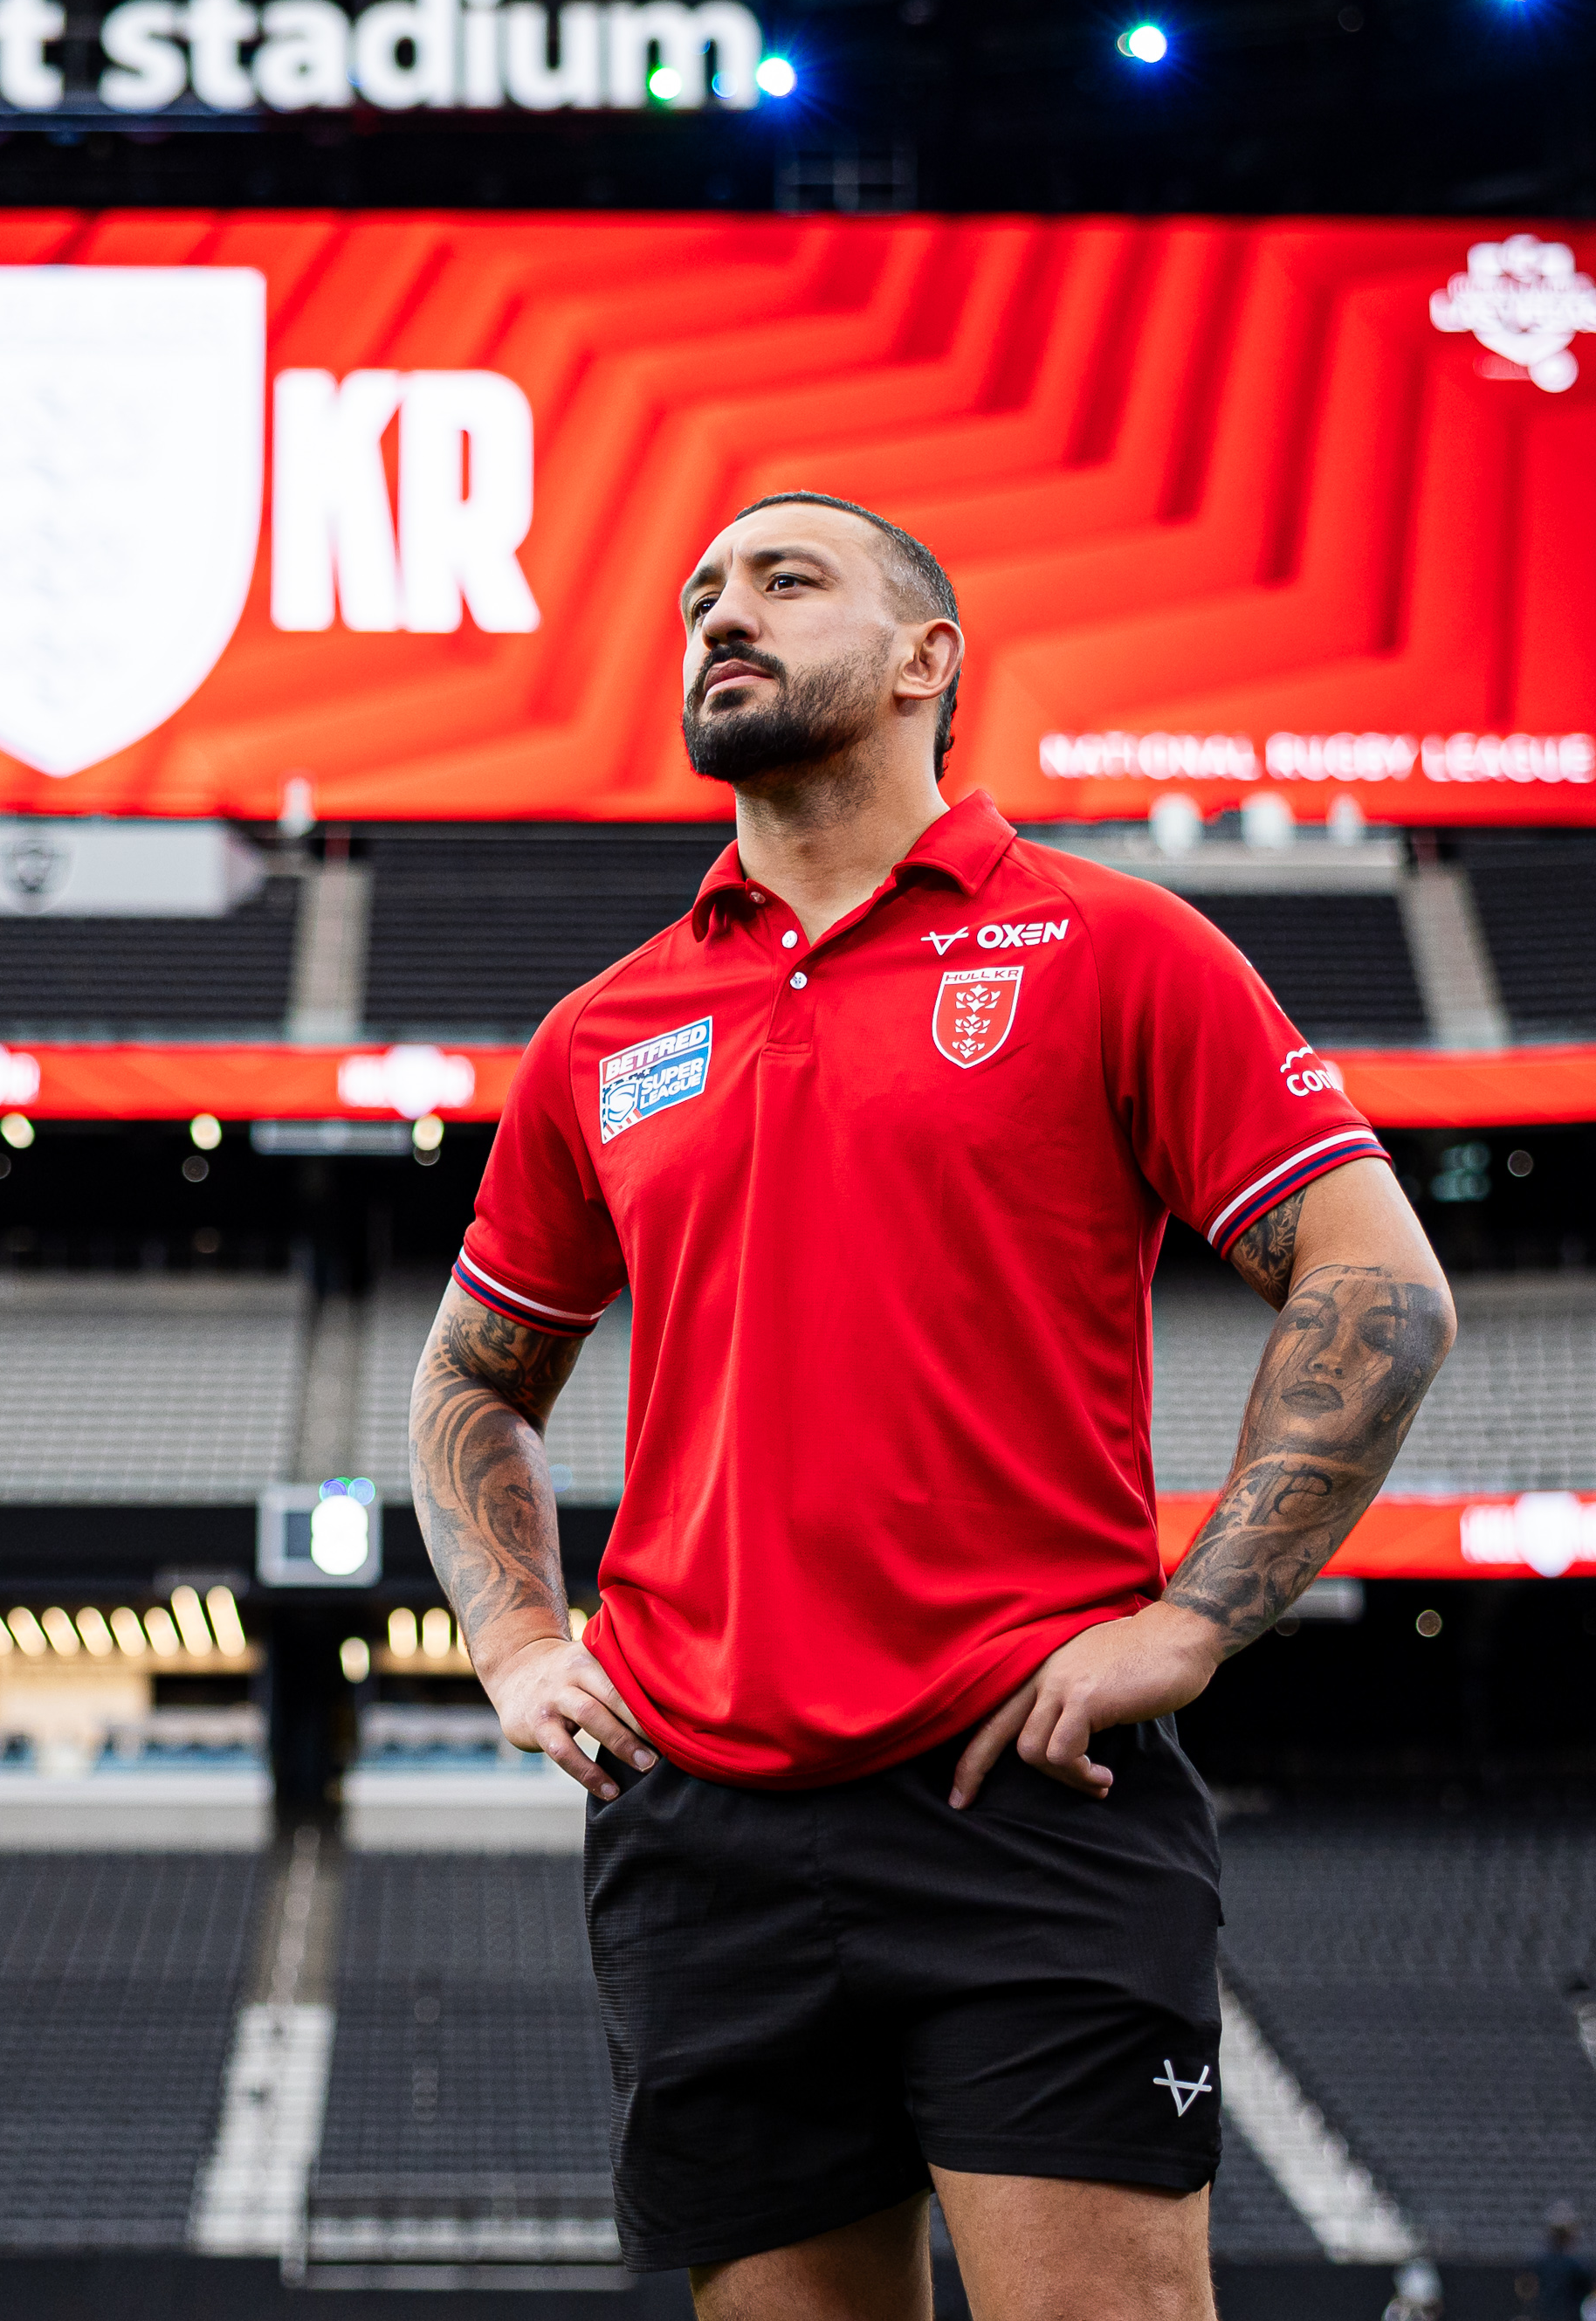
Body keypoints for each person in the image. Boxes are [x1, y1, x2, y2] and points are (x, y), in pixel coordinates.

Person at [411, 491, 1455, 2317]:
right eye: (700, 599)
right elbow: (475, 1379)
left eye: (785, 582)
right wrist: (514, 1641)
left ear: (927, 661)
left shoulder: (1114, 945)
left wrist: (1197, 1622)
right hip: (697, 1820)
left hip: (1024, 1795)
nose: (722, 617)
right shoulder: (601, 1033)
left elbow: (1379, 1289)